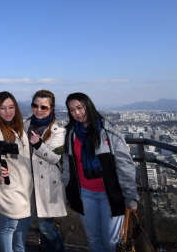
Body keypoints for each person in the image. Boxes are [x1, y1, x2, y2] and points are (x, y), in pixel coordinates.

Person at [62, 92, 138, 252]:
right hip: (85, 195)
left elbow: (125, 167)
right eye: (72, 110)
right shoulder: (70, 134)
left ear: (88, 106)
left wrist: (130, 197)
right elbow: (68, 165)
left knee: (112, 242)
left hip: (110, 195)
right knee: (93, 240)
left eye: (79, 108)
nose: (77, 113)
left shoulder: (109, 132)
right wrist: (68, 189)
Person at [0, 91, 33, 252]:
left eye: (11, 107)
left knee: (22, 225)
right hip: (9, 186)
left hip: (25, 185)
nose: (8, 111)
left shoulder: (19, 127)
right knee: (9, 226)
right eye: (3, 108)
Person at [27, 90, 67, 252]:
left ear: (51, 109)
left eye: (44, 107)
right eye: (35, 105)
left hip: (47, 184)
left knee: (44, 226)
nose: (39, 109)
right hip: (28, 182)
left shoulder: (59, 132)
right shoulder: (25, 124)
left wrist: (38, 146)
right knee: (29, 222)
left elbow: (55, 158)